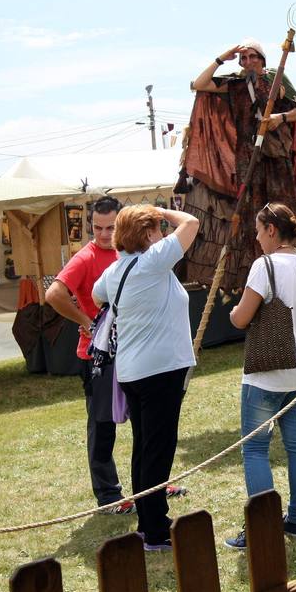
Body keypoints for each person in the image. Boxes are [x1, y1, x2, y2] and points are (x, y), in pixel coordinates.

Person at [91, 205, 200, 551]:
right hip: (160, 370)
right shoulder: (153, 260)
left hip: (133, 371)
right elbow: (192, 223)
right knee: (157, 449)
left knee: (145, 448)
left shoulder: (116, 270)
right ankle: (154, 529)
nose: (163, 233)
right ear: (149, 234)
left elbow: (96, 296)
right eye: (157, 228)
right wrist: (161, 210)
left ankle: (150, 519)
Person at [178, 39, 296, 291]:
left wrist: (280, 118)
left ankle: (292, 269)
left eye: (252, 57)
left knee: (282, 211)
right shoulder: (234, 85)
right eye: (243, 58)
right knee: (252, 218)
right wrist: (223, 56)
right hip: (247, 159)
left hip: (276, 157)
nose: (247, 62)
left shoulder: (277, 80)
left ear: (262, 59)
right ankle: (259, 276)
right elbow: (199, 84)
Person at [223, 203, 296, 550]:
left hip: (266, 375)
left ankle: (263, 527)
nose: (256, 237)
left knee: (255, 450)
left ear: (271, 230)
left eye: (257, 229)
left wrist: (235, 309)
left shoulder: (263, 266)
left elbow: (241, 318)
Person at [47, 197, 137, 512]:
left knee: (144, 421)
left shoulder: (129, 250)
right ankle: (109, 496)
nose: (103, 234)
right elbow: (54, 293)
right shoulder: (85, 257)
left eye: (110, 227)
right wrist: (85, 322)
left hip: (134, 353)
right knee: (102, 426)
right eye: (98, 227)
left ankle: (151, 485)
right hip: (97, 358)